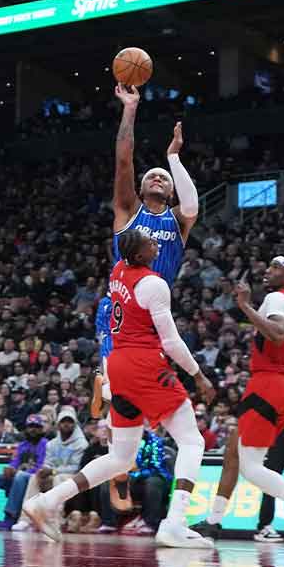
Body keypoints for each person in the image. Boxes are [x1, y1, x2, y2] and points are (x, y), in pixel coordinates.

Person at [21, 230, 214, 548]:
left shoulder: (118, 272)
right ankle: (175, 523)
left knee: (121, 458)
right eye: (148, 243)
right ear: (137, 255)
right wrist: (198, 374)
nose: (155, 244)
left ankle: (47, 501)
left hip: (119, 366)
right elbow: (170, 340)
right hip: (144, 364)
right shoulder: (153, 284)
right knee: (192, 441)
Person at [191, 257, 284, 549]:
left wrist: (245, 307)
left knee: (251, 467)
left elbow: (278, 334)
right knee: (233, 451)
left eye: (276, 268)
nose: (268, 272)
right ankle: (213, 524)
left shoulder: (275, 299)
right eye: (269, 267)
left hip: (267, 385)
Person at [93, 85, 198, 404]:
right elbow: (124, 161)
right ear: (139, 188)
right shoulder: (127, 210)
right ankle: (106, 381)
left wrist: (173, 159)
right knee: (119, 398)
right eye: (151, 175)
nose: (157, 177)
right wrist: (130, 108)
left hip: (155, 310)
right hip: (121, 306)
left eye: (164, 178)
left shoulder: (178, 219)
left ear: (170, 192)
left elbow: (192, 205)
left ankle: (111, 385)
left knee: (149, 397)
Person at [0, 415, 48, 530]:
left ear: (41, 429)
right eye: (30, 427)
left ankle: (10, 516)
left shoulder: (45, 444)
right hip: (19, 477)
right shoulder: (22, 445)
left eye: (36, 427)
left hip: (34, 480)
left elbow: (42, 466)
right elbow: (15, 461)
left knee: (20, 476)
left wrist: (21, 471)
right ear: (26, 428)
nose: (33, 430)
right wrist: (10, 468)